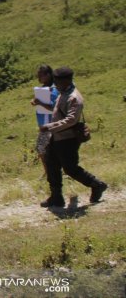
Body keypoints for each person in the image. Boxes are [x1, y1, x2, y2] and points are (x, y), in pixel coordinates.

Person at [39, 67, 107, 208]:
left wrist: (50, 126)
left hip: (67, 139)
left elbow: (71, 120)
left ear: (66, 80)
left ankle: (97, 184)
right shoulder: (63, 93)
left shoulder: (74, 97)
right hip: (56, 137)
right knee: (52, 165)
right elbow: (57, 110)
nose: (55, 83)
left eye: (57, 81)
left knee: (70, 168)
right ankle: (56, 197)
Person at [29, 64, 59, 175]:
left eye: (41, 76)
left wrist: (40, 103)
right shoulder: (43, 89)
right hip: (44, 124)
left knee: (42, 148)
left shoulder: (55, 90)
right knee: (44, 150)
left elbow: (54, 108)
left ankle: (50, 172)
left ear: (48, 75)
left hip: (51, 125)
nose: (39, 78)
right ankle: (49, 171)